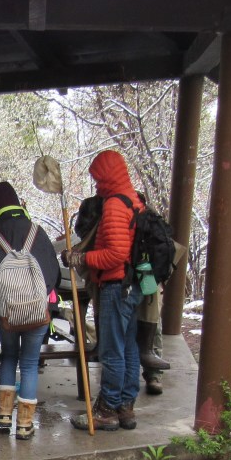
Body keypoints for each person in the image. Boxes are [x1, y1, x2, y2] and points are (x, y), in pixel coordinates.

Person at [0, 181, 61, 439]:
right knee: (29, 362)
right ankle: (25, 424)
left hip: (4, 311)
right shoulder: (37, 232)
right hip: (38, 311)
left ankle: (5, 414)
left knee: (8, 356)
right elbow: (53, 272)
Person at [67, 149, 143, 431]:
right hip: (133, 285)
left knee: (112, 351)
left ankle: (106, 409)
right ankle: (125, 406)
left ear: (108, 176)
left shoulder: (114, 206)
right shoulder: (134, 201)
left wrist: (81, 258)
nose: (96, 185)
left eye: (98, 178)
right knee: (129, 347)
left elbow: (115, 254)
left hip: (115, 285)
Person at [138, 238, 188, 395]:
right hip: (136, 266)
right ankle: (150, 374)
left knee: (151, 318)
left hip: (144, 266)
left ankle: (154, 374)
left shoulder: (147, 224)